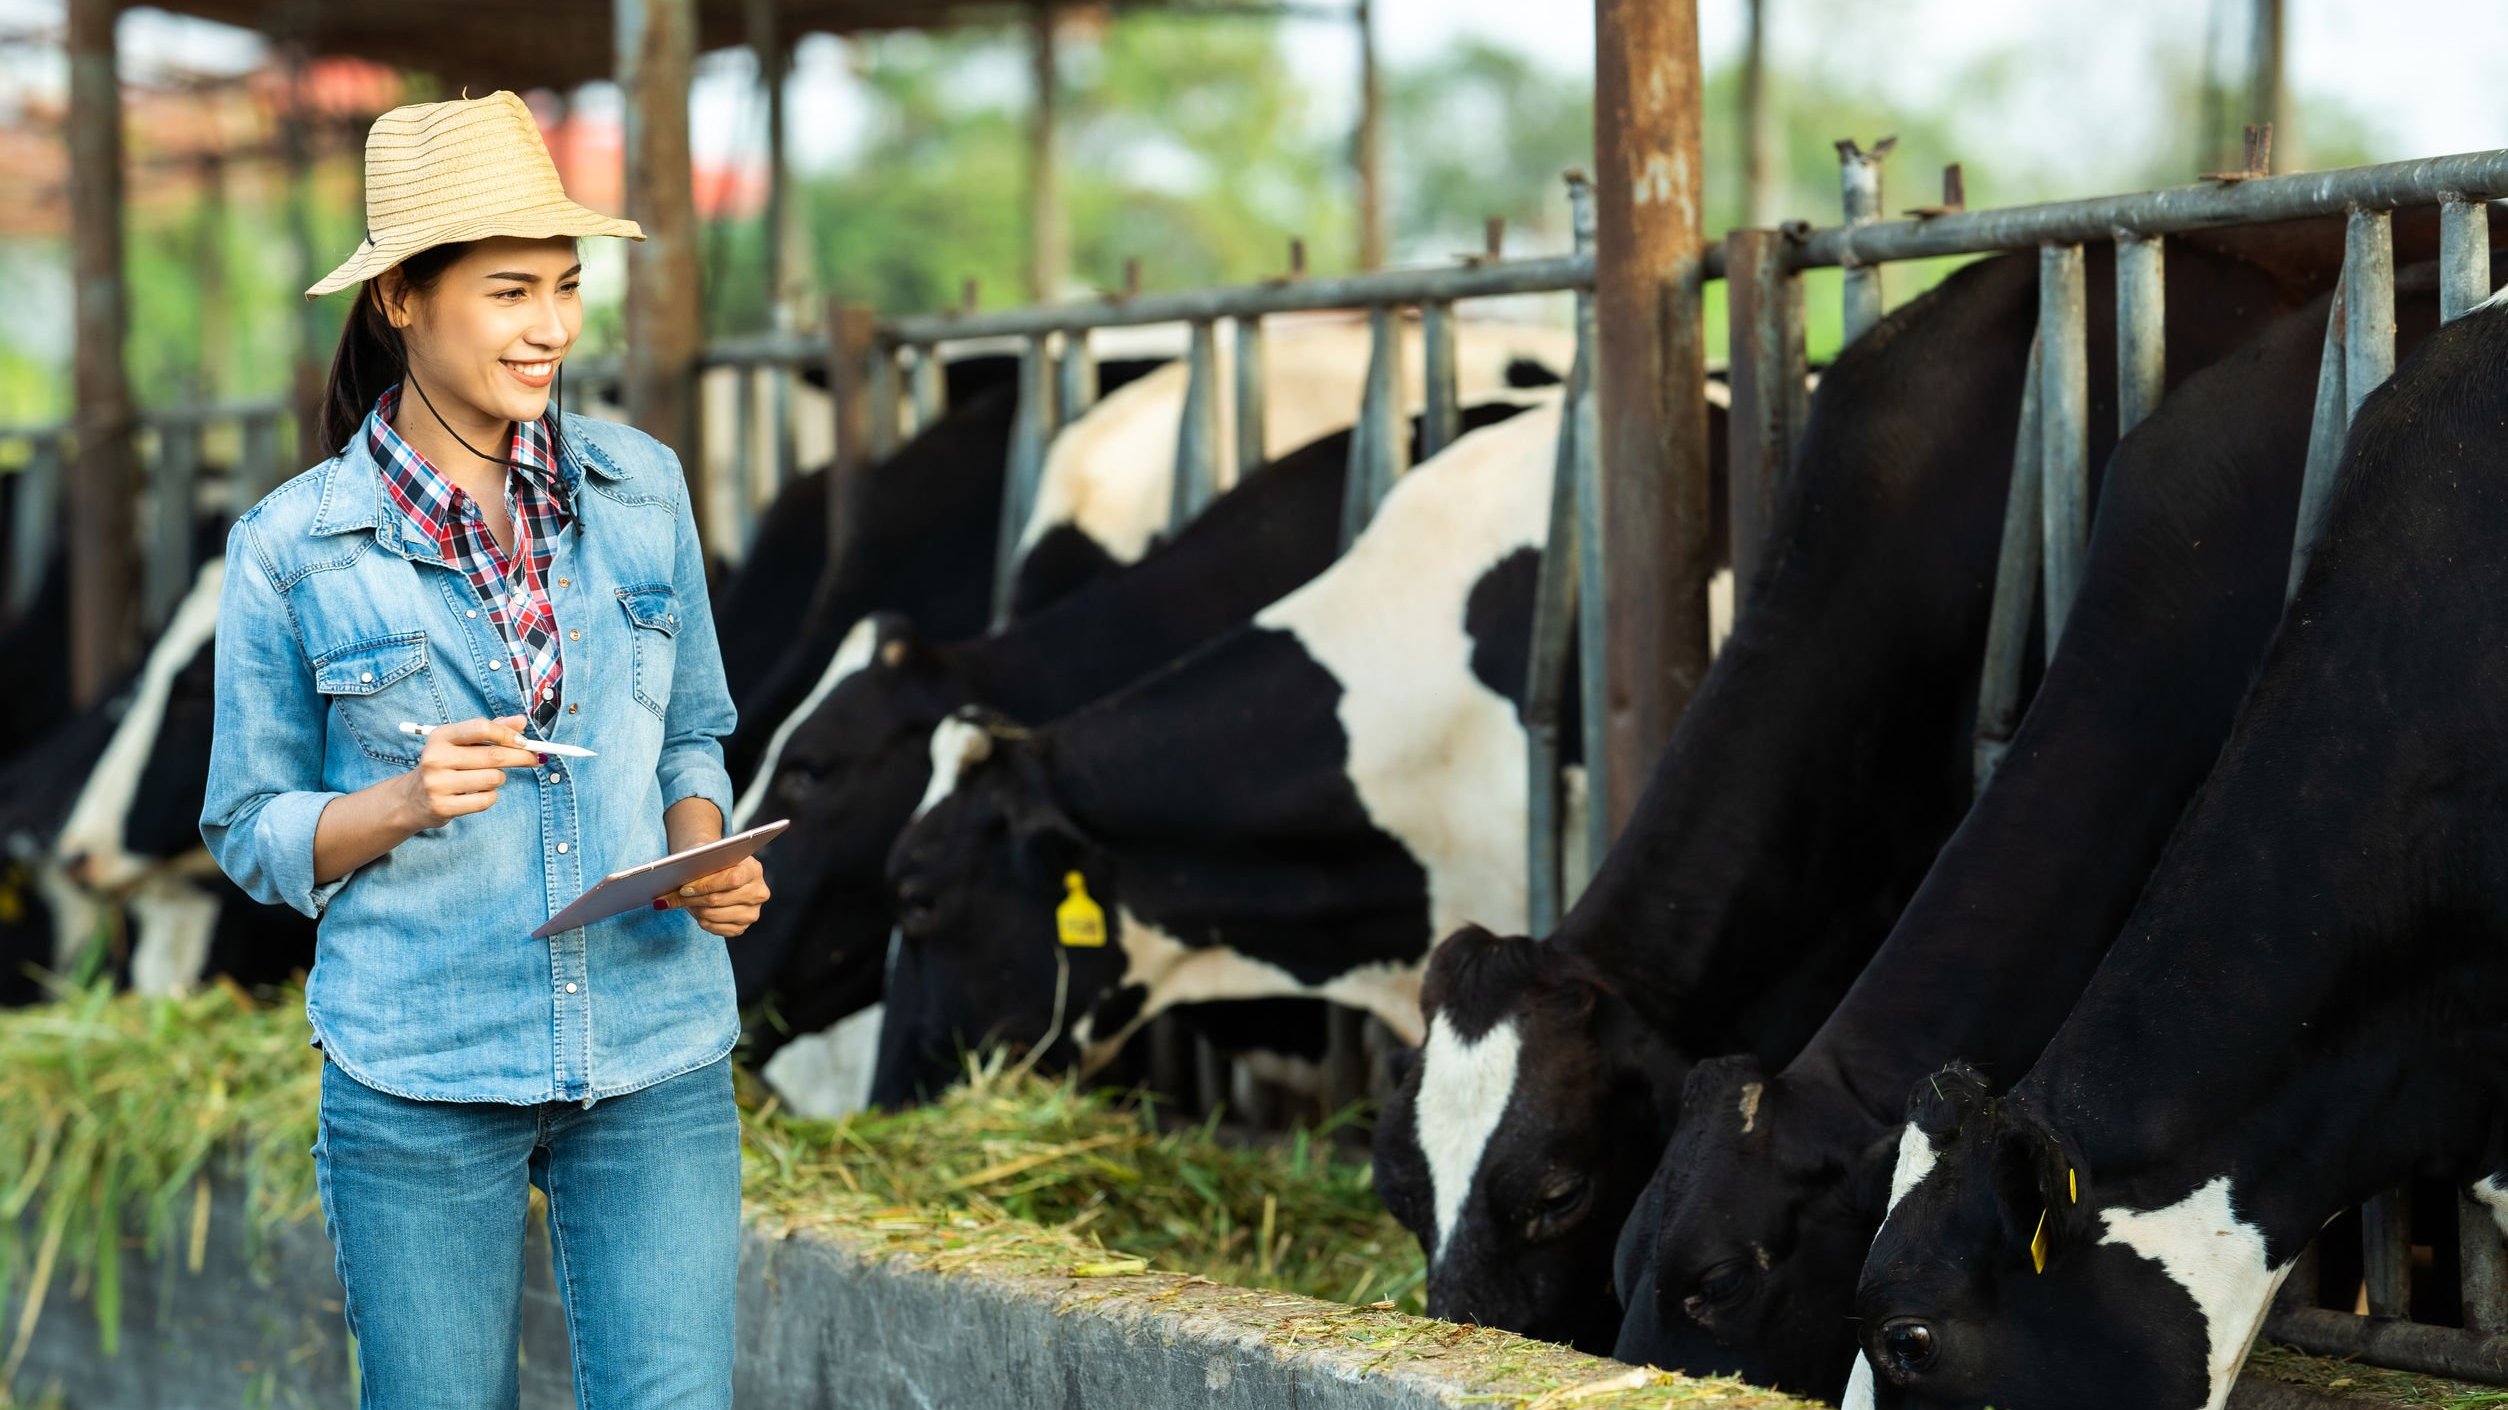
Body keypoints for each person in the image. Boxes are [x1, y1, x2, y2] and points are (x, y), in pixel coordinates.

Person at [199, 90, 768, 1409]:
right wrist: (395, 801)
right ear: (403, 294)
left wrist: (704, 854)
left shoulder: (643, 490)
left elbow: (692, 728)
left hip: (654, 1044)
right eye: (512, 290)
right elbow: (247, 822)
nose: (554, 327)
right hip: (421, 1064)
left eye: (568, 287)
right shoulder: (294, 546)